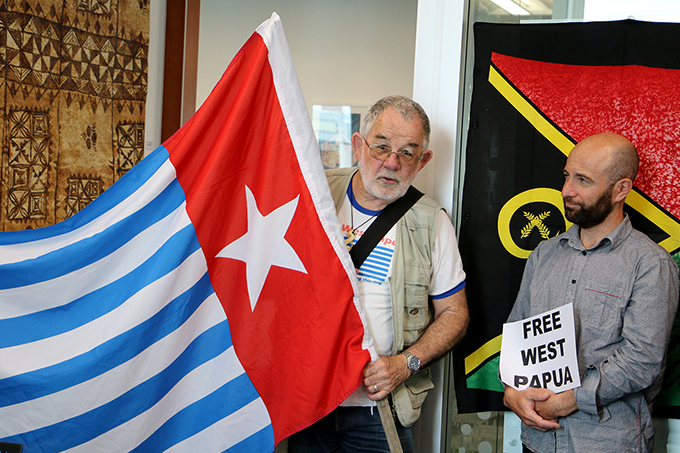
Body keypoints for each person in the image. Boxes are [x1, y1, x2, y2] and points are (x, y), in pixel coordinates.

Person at [288, 96, 469, 452]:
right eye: (381, 146)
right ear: (358, 144)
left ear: (423, 161)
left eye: (407, 153)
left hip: (379, 410)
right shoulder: (312, 192)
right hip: (308, 400)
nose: (391, 163)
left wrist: (406, 363)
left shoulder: (431, 222)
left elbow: (455, 314)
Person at [503, 132, 680, 453]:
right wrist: (512, 389)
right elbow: (518, 334)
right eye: (567, 176)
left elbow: (642, 360)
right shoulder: (544, 254)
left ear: (621, 189)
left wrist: (569, 400)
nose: (566, 191)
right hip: (537, 441)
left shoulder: (651, 263)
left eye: (583, 180)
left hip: (607, 442)